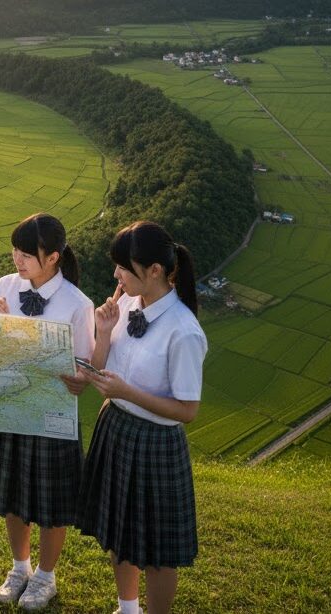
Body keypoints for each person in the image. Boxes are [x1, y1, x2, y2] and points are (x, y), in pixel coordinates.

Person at [74, 221, 207, 614]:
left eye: (123, 267)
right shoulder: (128, 306)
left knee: (158, 551)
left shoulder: (184, 331)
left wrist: (126, 393)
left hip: (155, 443)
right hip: (115, 425)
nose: (116, 275)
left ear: (154, 271)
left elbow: (188, 411)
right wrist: (103, 331)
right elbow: (98, 369)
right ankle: (127, 607)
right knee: (121, 530)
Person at [0, 213, 95, 609]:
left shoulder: (78, 305)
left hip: (51, 412)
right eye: (16, 250)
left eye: (28, 254)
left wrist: (58, 366)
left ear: (54, 258)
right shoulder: (6, 285)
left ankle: (46, 576)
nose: (18, 259)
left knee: (51, 500)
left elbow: (83, 371)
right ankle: (19, 567)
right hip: (10, 405)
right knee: (13, 494)